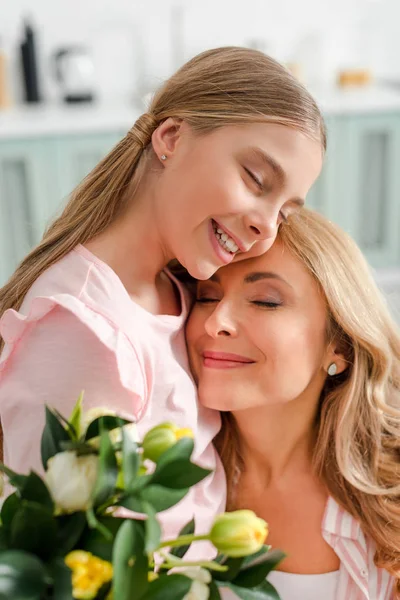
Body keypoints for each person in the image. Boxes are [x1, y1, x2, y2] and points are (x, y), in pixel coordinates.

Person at [0, 47, 324, 546]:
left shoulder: (178, 292)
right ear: (171, 138)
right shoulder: (83, 330)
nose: (265, 226)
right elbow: (62, 554)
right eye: (256, 180)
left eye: (284, 213)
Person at [186, 208, 400, 598]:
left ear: (339, 345)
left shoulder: (393, 496)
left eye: (266, 301)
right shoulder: (166, 475)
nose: (216, 321)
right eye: (207, 295)